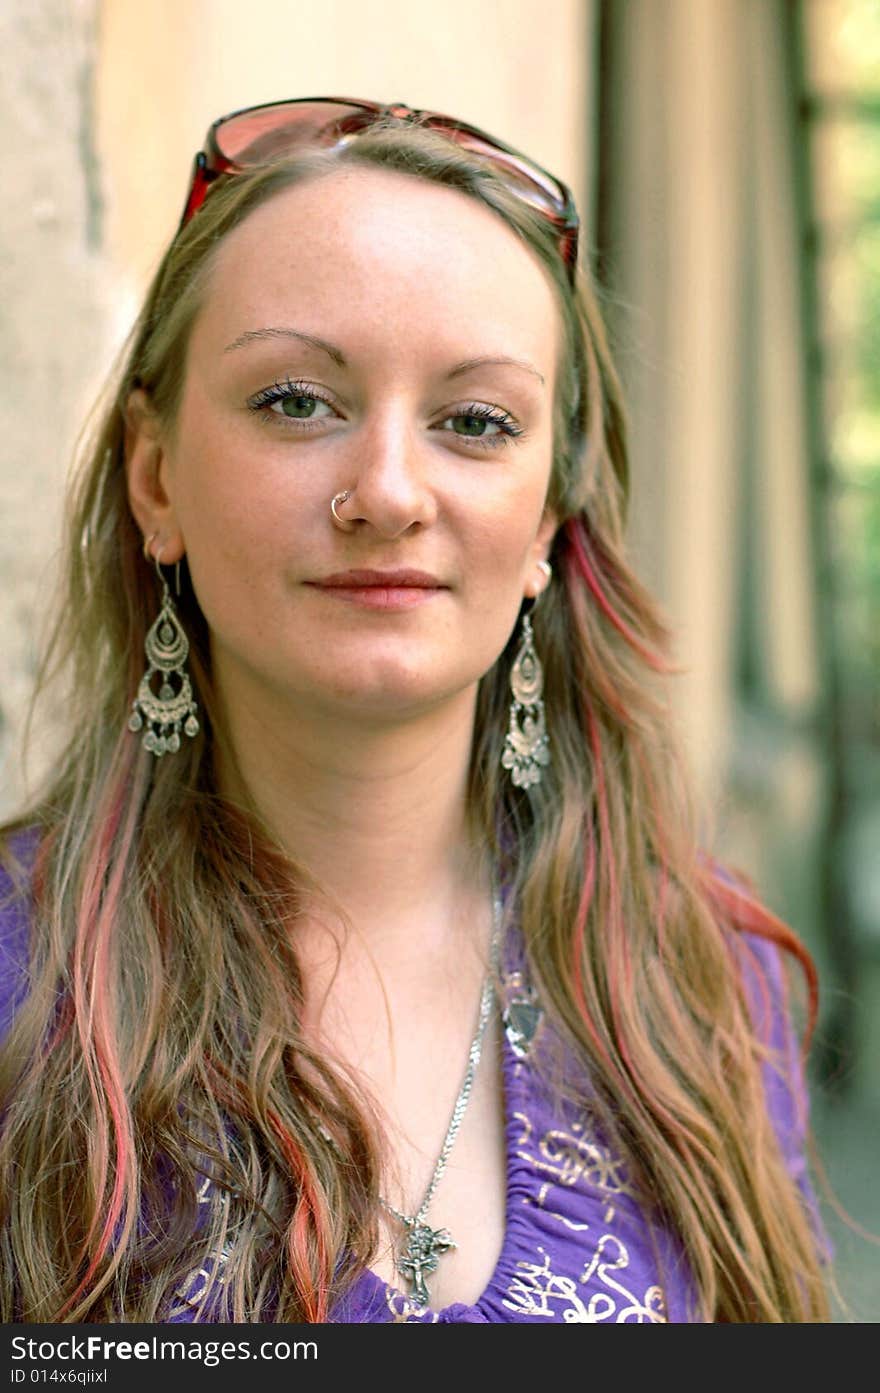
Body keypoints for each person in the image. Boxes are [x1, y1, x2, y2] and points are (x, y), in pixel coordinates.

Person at [0, 97, 831, 1323]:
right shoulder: (19, 988)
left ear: (547, 521)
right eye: (295, 400)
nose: (388, 490)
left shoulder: (706, 984)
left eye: (476, 422)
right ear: (154, 474)